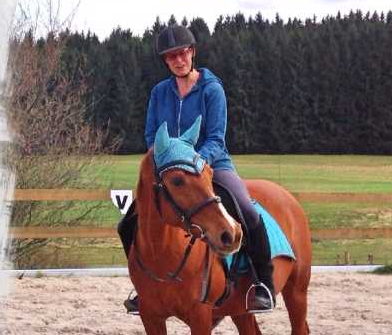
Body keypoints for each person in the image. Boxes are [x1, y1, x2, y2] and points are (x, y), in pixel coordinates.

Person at [118, 24, 275, 314]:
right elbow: (152, 137)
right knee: (127, 222)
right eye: (171, 57)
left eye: (182, 53)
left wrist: (196, 163)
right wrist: (166, 164)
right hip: (169, 172)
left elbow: (216, 137)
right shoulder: (159, 93)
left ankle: (262, 283)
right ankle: (143, 288)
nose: (178, 60)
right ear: (166, 61)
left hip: (211, 164)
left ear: (192, 53)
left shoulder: (212, 89)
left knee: (246, 210)